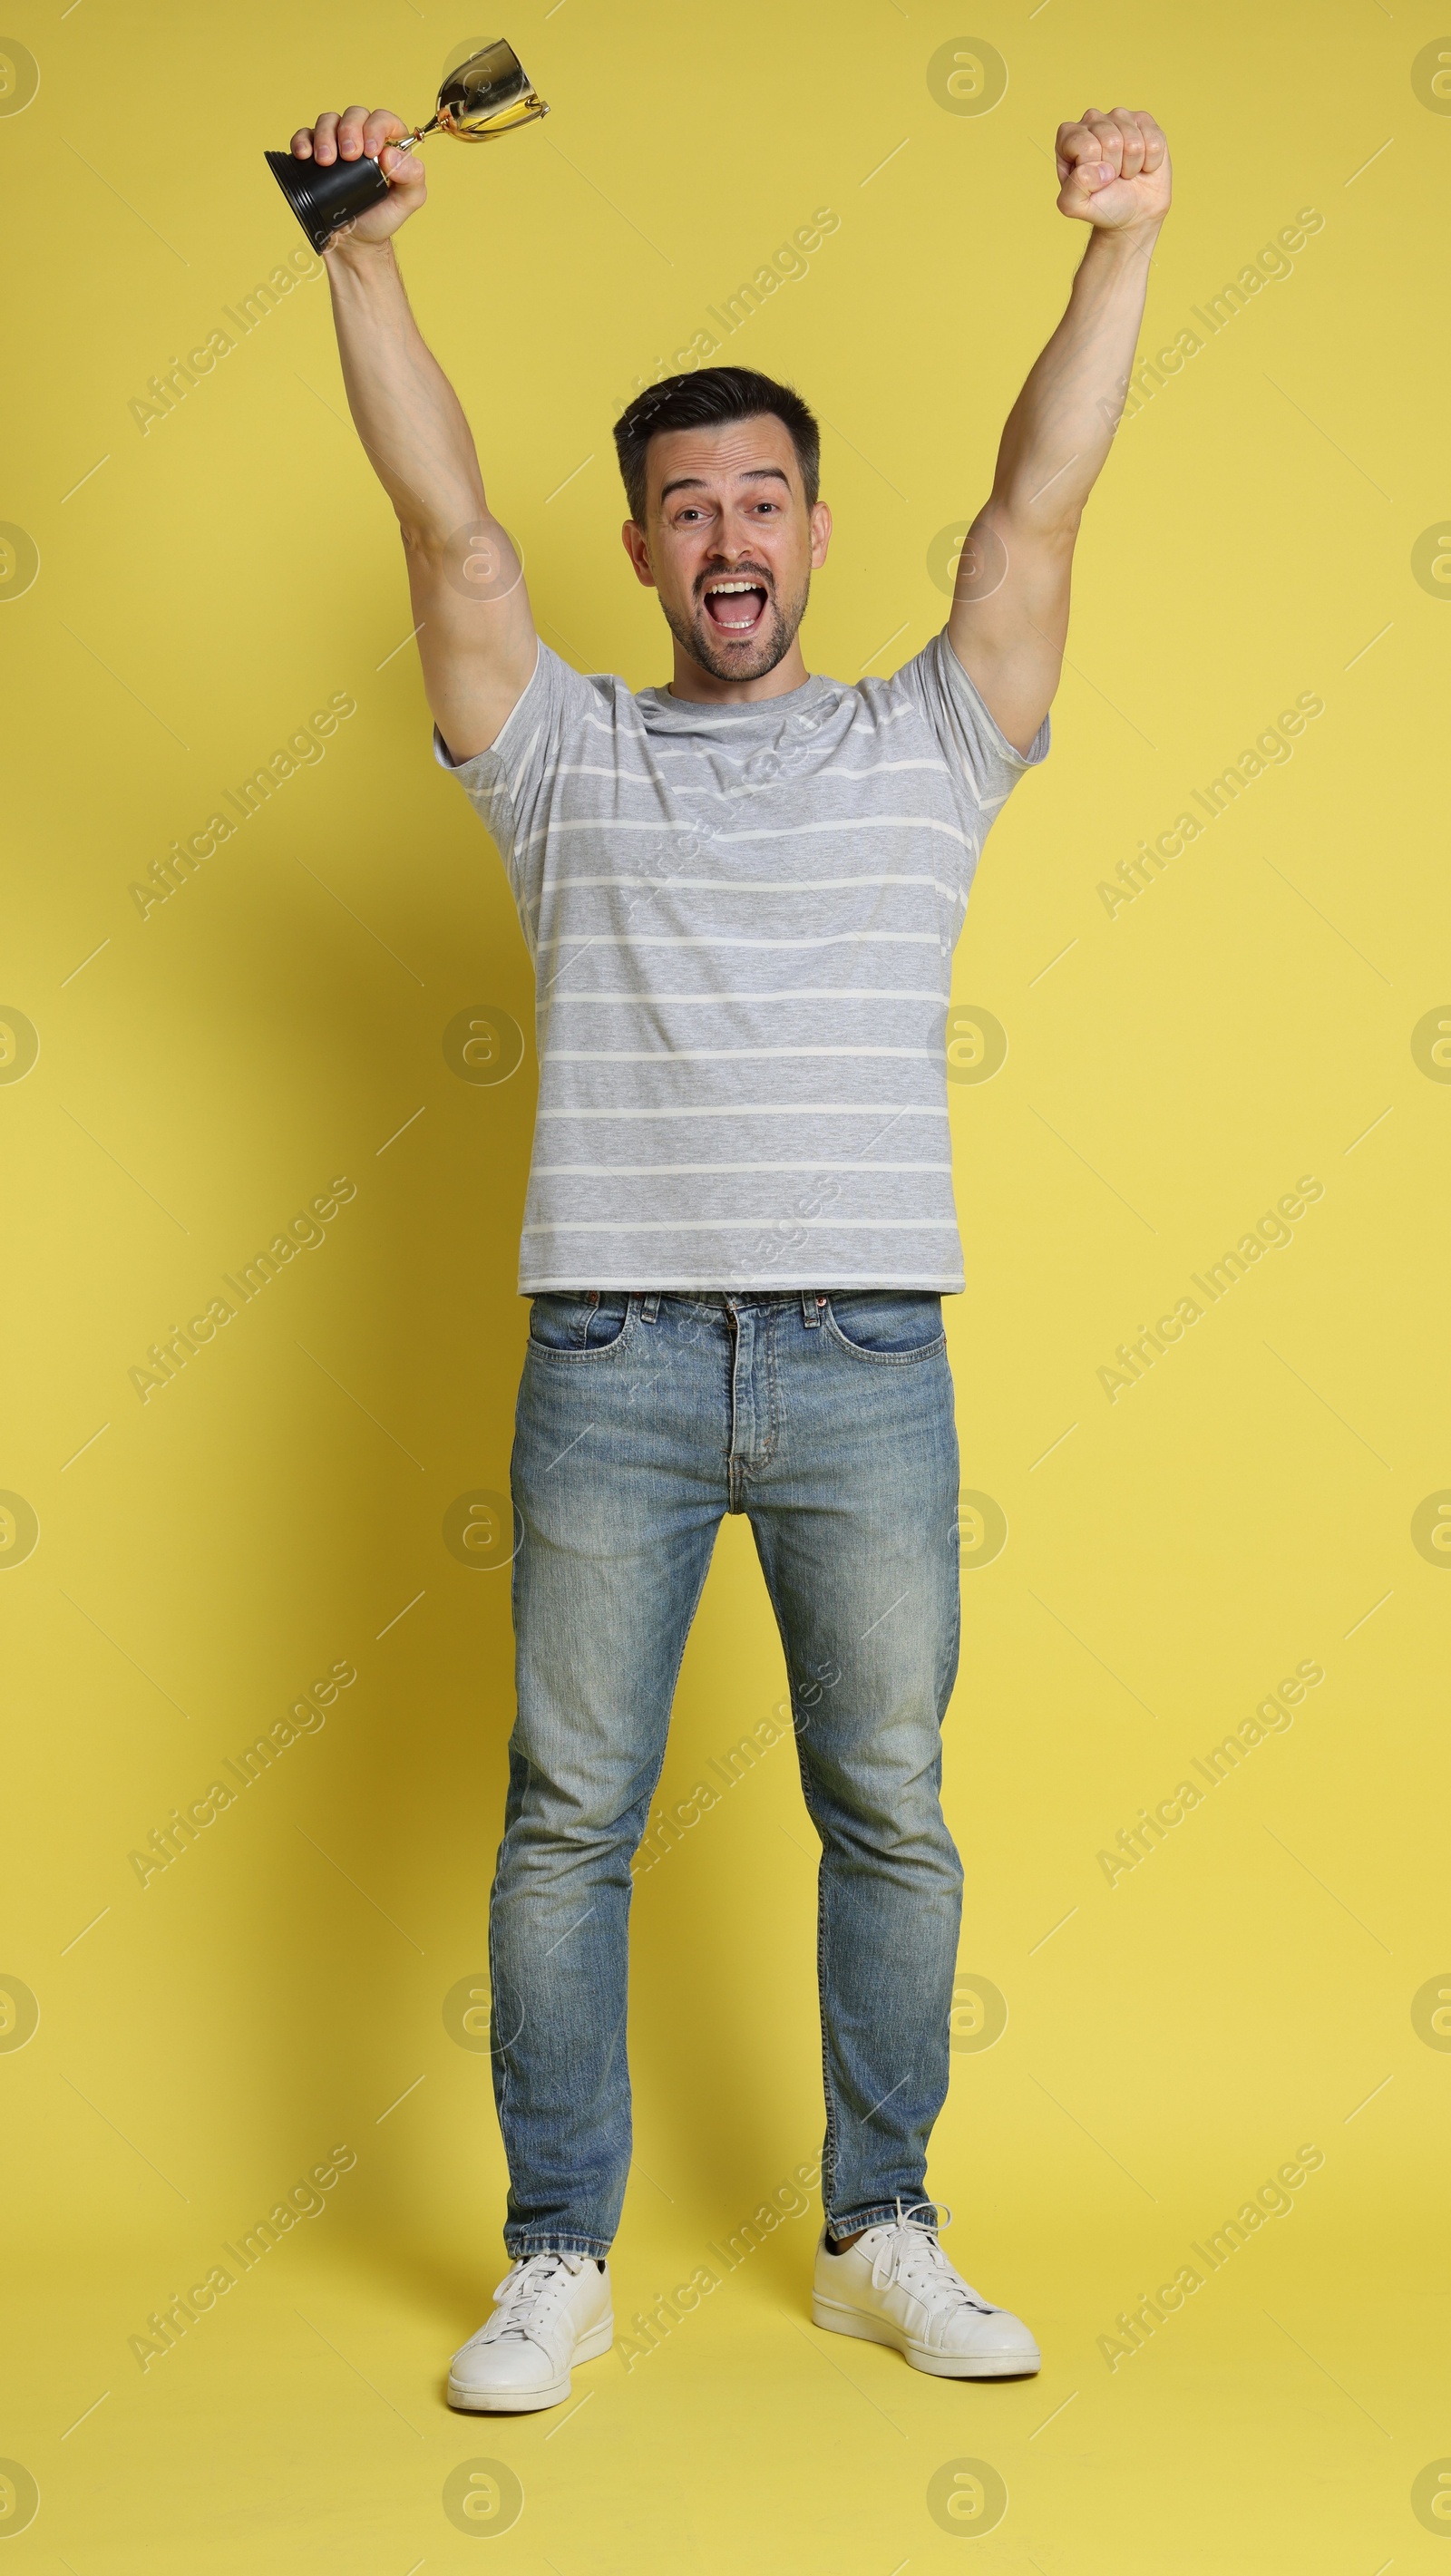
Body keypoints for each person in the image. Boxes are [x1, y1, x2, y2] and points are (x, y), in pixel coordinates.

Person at [289, 95, 1172, 2412]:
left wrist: (1119, 247)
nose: (726, 534)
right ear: (646, 547)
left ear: (806, 527)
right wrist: (360, 261)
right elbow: (446, 534)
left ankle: (880, 2220)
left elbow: (1038, 511)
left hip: (871, 1356)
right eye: (684, 505)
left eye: (760, 495)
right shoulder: (559, 750)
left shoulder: (925, 741)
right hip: (611, 1356)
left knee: (882, 1796)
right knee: (566, 1809)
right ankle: (556, 2248)